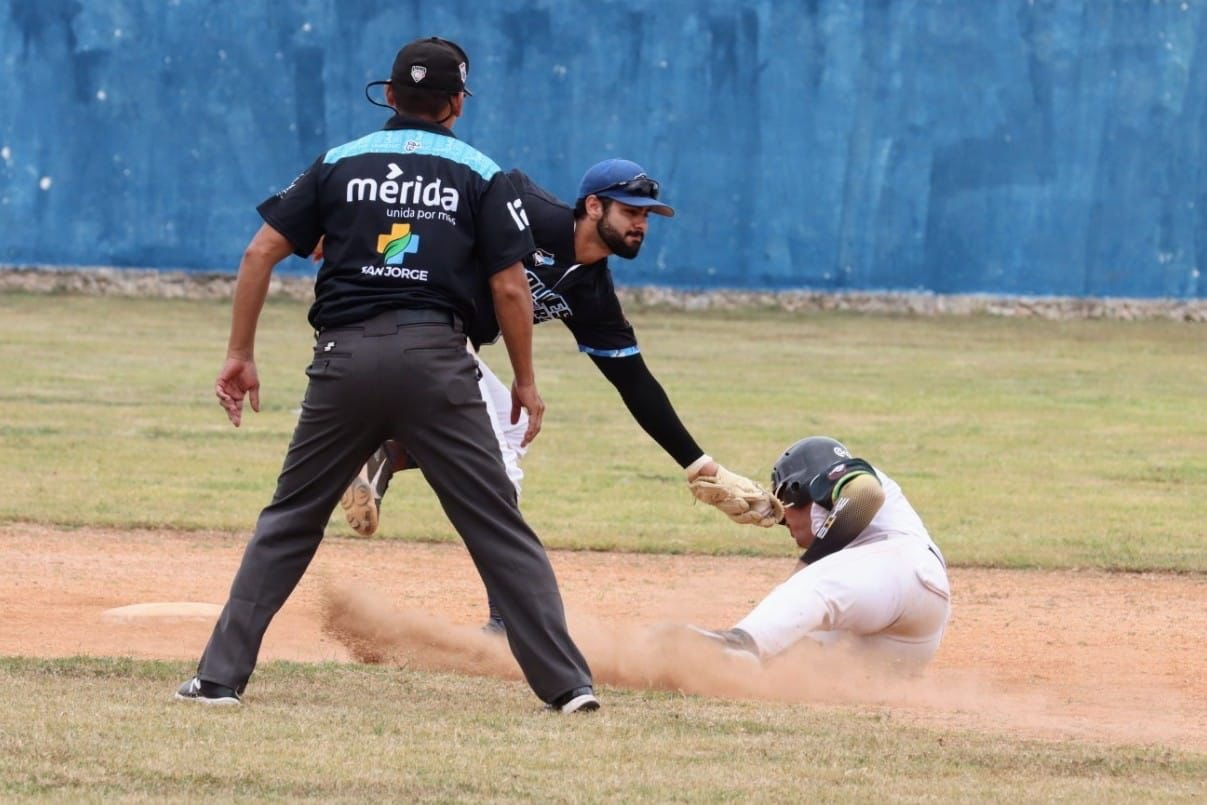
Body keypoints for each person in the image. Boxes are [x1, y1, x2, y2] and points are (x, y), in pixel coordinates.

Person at [175, 36, 599, 714]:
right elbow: (510, 288)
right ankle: (569, 686)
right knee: (496, 524)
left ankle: (219, 679)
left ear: (391, 96)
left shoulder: (339, 161)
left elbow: (259, 253)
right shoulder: (480, 171)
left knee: (290, 519)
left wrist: (240, 354)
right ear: (457, 104)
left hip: (342, 362)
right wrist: (524, 379)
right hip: (439, 364)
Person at [338, 158, 782, 633]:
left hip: (446, 342)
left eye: (646, 215)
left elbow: (635, 383)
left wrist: (700, 466)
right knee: (497, 466)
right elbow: (433, 202)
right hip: (419, 323)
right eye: (630, 211)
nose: (640, 224)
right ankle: (507, 618)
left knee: (510, 428)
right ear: (593, 207)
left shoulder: (591, 293)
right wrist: (349, 234)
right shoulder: (527, 208)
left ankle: (387, 456)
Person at [689, 436, 952, 670]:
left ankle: (739, 644)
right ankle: (698, 668)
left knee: (810, 584)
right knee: (789, 662)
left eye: (782, 501)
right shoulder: (849, 545)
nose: (785, 520)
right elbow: (828, 522)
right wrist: (776, 514)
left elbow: (866, 494)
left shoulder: (837, 473)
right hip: (913, 639)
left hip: (902, 569)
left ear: (796, 487)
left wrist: (807, 564)